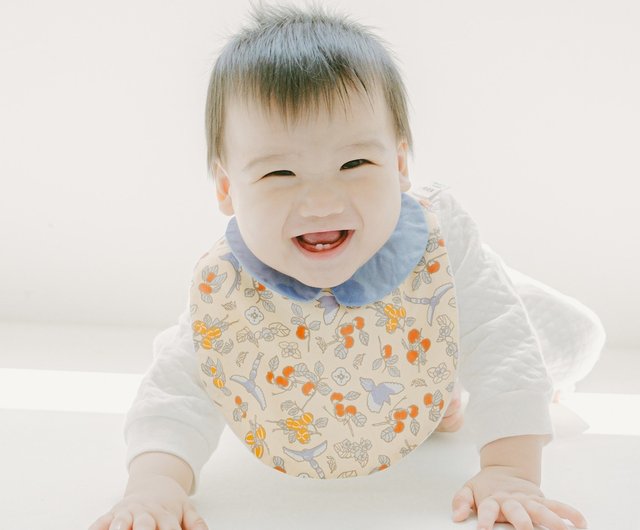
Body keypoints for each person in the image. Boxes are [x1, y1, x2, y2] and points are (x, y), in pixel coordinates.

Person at [89, 4, 605, 530]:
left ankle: (447, 377)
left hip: (440, 308)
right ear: (227, 188)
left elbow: (501, 341)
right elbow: (176, 389)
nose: (320, 202)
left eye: (354, 164)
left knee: (567, 337)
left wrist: (510, 471)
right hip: (362, 362)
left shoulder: (441, 248)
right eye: (280, 172)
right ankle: (430, 385)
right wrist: (154, 486)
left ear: (400, 165)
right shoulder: (228, 288)